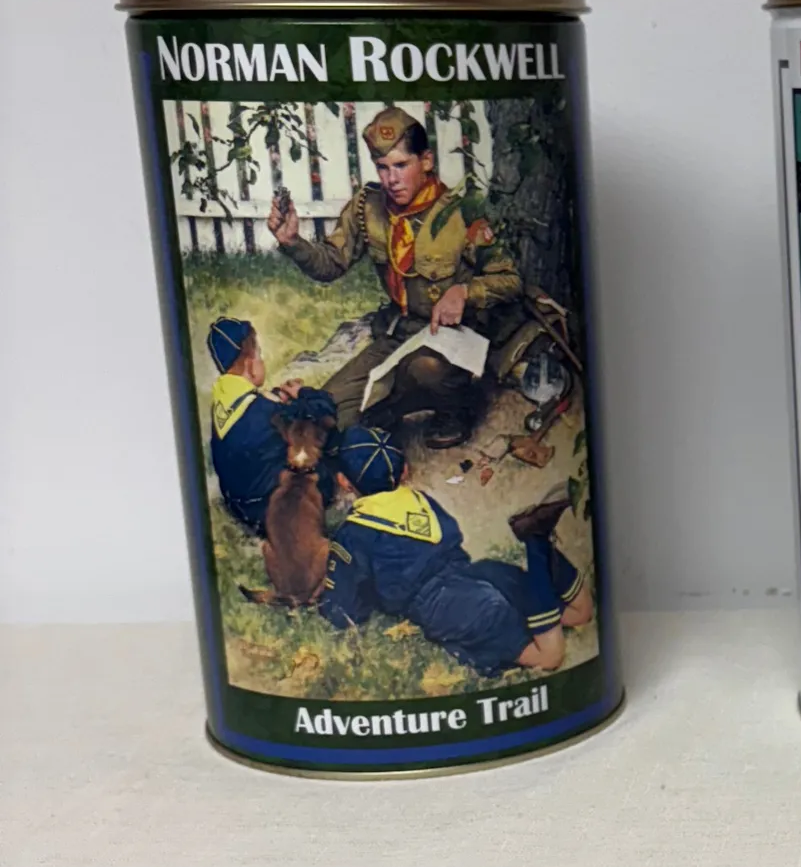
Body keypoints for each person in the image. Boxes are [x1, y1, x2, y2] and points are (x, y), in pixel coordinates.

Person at [266, 106, 525, 448]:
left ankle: (456, 410)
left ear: (426, 161)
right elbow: (330, 264)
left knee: (425, 369)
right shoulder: (368, 208)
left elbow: (510, 280)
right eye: (383, 167)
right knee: (328, 412)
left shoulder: (461, 213)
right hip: (398, 334)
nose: (391, 179)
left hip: (452, 339)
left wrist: (464, 292)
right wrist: (292, 242)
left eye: (401, 165)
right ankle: (388, 408)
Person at [320, 426, 594, 675]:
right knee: (580, 613)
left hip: (452, 607)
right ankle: (543, 544)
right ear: (404, 472)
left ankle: (536, 543)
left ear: (344, 481)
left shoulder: (353, 534)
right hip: (480, 574)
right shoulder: (420, 501)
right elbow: (452, 535)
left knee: (549, 656)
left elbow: (344, 606)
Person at [205, 317, 325, 536]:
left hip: (239, 507)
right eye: (259, 354)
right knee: (326, 455)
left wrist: (274, 398)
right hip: (270, 516)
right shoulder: (268, 413)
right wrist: (303, 394)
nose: (263, 359)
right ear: (250, 365)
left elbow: (248, 416)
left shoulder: (221, 399)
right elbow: (323, 412)